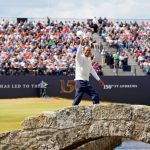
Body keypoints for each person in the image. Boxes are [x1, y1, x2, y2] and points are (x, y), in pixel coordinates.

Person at [73, 38, 104, 105]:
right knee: (76, 102)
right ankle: (69, 113)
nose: (88, 51)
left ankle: (95, 112)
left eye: (89, 50)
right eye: (87, 50)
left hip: (86, 82)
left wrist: (99, 80)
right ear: (83, 51)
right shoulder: (80, 58)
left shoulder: (89, 60)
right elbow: (78, 53)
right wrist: (81, 44)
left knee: (95, 96)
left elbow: (92, 70)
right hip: (80, 82)